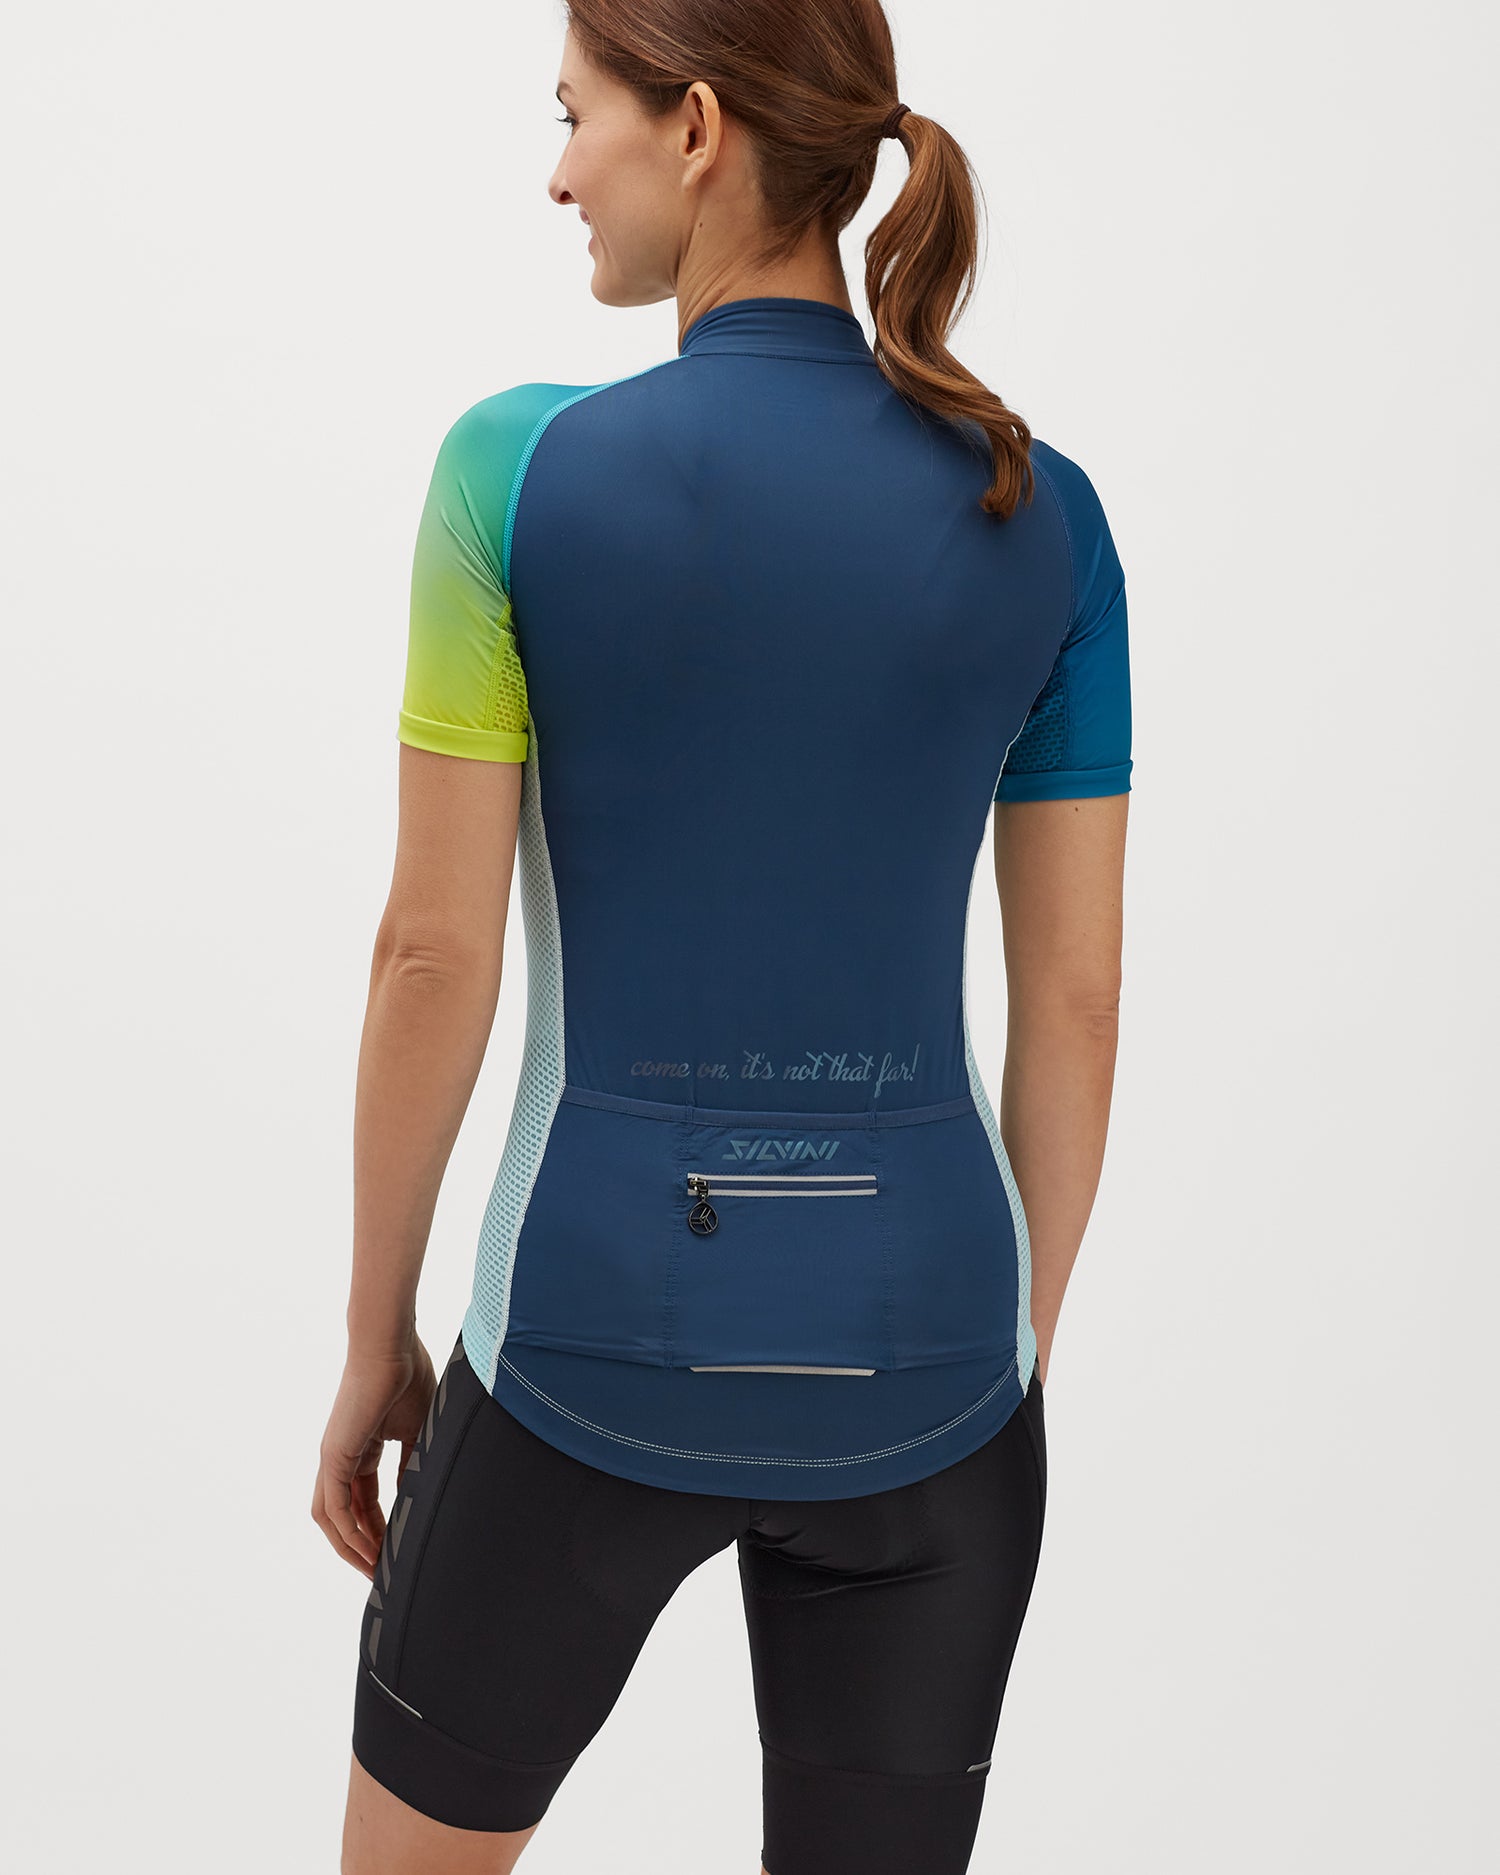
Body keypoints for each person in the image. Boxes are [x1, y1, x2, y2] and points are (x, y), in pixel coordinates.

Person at [312, 3, 1131, 1871]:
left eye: (572, 116)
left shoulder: (512, 476)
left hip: (585, 1340)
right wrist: (991, 1360)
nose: (557, 174)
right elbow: (1077, 999)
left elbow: (432, 953)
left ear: (694, 128)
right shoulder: (1045, 512)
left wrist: (375, 1339)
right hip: (936, 1366)